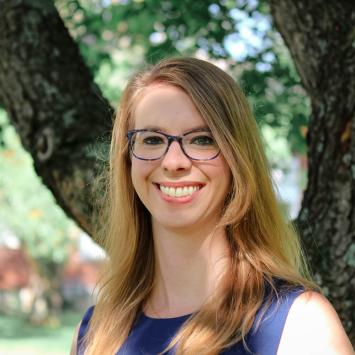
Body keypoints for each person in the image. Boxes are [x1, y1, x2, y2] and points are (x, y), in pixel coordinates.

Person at [70, 56, 354, 355]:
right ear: (127, 160)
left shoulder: (299, 324)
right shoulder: (96, 333)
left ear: (237, 159)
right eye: (152, 139)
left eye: (202, 139)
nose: (173, 162)